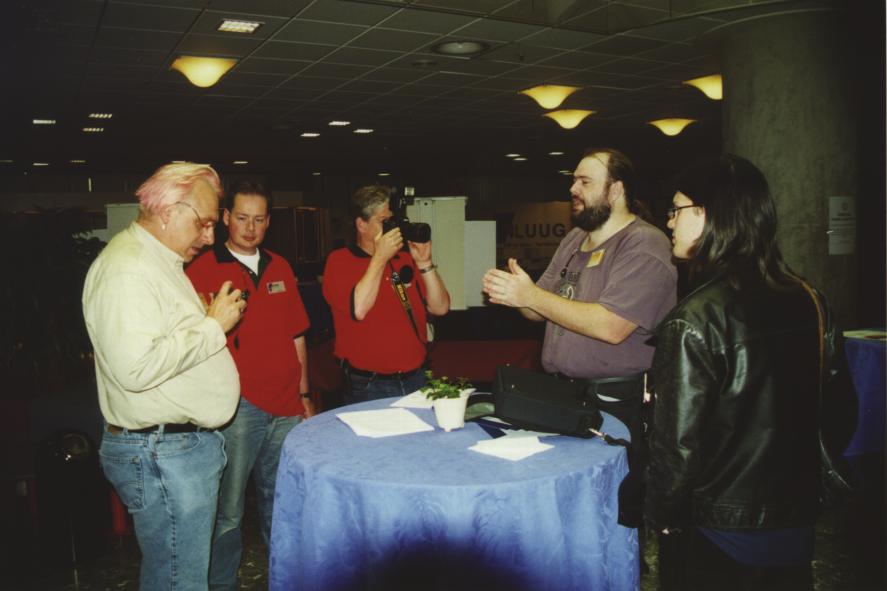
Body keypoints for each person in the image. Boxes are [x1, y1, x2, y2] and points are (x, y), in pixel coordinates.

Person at [644, 155, 831, 591]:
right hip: (796, 520)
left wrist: (663, 518)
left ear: (707, 213)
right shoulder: (810, 298)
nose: (669, 223)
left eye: (676, 210)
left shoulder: (693, 319)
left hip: (718, 531)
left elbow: (678, 448)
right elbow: (838, 406)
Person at [82, 162, 245, 591]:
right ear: (169, 210)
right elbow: (135, 369)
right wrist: (213, 327)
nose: (210, 237)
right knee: (180, 581)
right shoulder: (127, 269)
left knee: (177, 574)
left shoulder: (157, 263)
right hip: (161, 452)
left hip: (171, 448)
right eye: (204, 223)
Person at [482, 147, 676, 442]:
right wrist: (517, 294)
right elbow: (537, 311)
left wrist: (531, 296)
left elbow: (612, 326)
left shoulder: (644, 244)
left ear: (616, 190)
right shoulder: (574, 239)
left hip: (616, 396)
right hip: (564, 392)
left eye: (585, 182)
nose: (573, 189)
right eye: (574, 180)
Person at [185, 180, 312, 590]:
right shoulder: (201, 268)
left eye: (259, 220)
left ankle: (284, 579)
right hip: (238, 409)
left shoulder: (280, 267)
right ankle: (222, 583)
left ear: (268, 222)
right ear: (225, 218)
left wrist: (305, 394)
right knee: (230, 510)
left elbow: (297, 335)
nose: (250, 228)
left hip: (286, 406)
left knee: (282, 502)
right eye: (242, 218)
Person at [323, 185, 450, 402]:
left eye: (392, 221)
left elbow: (441, 307)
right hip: (370, 384)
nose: (392, 229)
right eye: (384, 222)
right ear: (361, 224)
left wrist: (424, 262)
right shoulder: (339, 260)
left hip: (416, 378)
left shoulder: (404, 259)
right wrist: (380, 258)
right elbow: (359, 309)